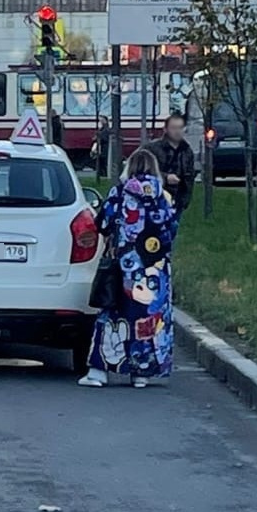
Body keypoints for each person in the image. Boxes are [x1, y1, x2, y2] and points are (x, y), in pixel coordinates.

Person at [79, 149, 178, 389]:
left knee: (113, 317)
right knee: (148, 319)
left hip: (124, 269)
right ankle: (141, 374)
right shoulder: (164, 197)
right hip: (155, 270)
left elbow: (102, 223)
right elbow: (171, 230)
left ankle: (99, 372)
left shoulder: (120, 193)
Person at [144, 112, 196, 213]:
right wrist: (165, 178)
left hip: (178, 201)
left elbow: (189, 177)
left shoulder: (187, 150)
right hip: (155, 199)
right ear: (165, 129)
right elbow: (143, 172)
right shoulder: (152, 149)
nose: (177, 131)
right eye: (174, 128)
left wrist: (185, 200)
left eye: (180, 128)